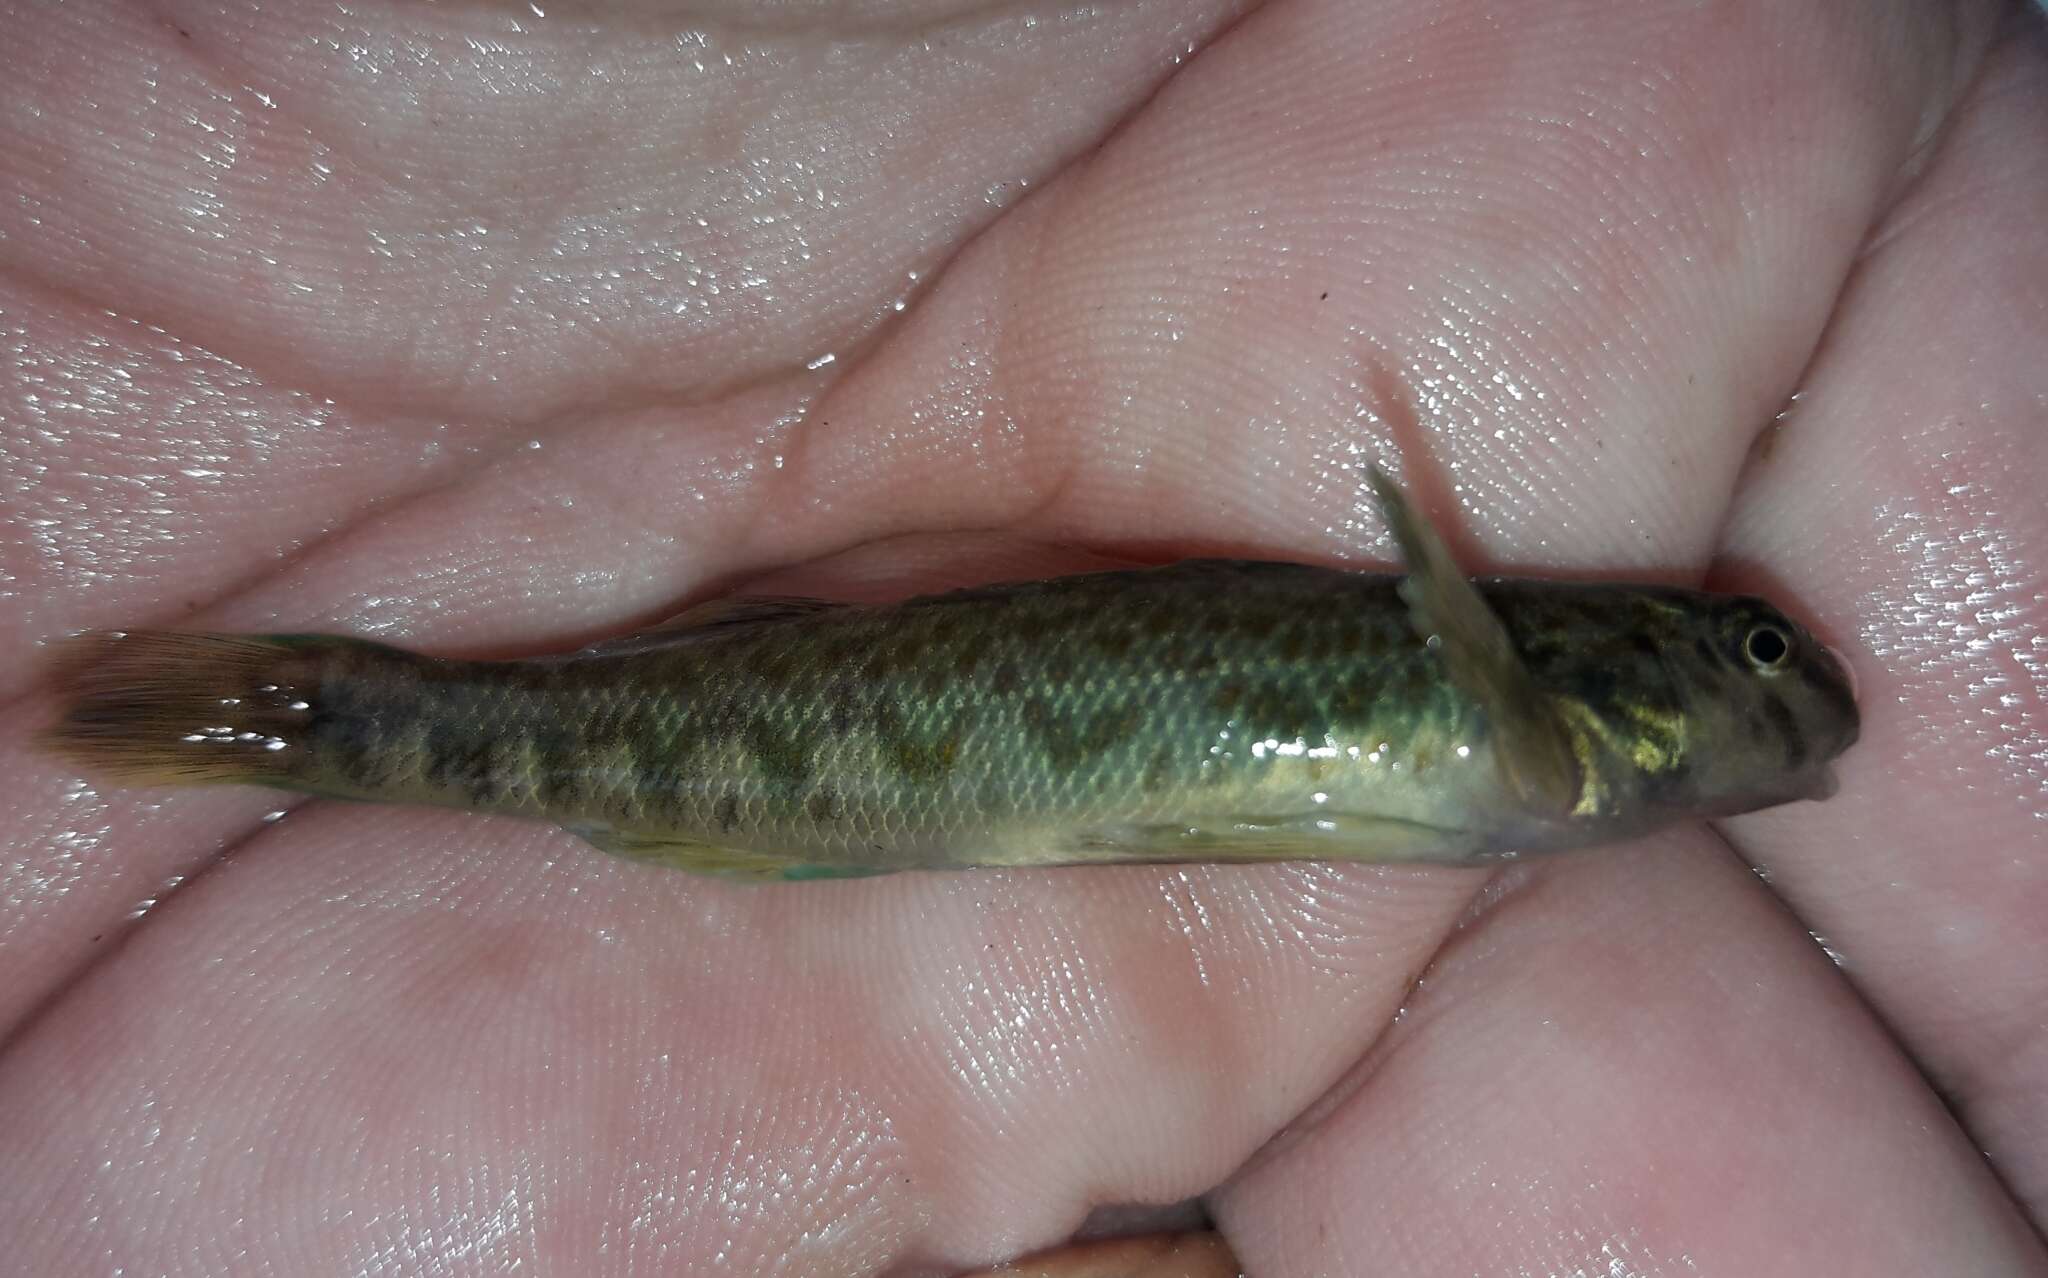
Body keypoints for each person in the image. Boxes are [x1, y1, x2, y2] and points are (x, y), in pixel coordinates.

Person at [2, 1, 2043, 1274]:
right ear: (1621, 674)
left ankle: (358, 732)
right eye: (1758, 673)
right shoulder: (1525, 741)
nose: (1791, 695)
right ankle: (352, 730)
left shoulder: (1529, 759)